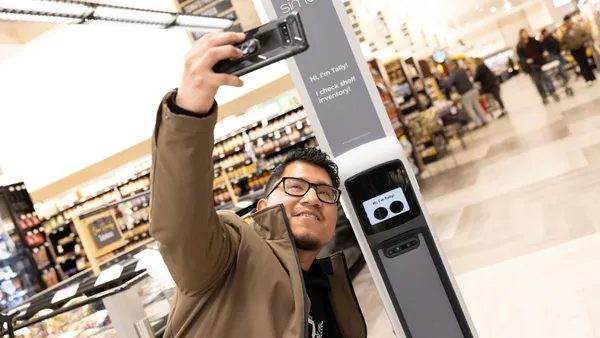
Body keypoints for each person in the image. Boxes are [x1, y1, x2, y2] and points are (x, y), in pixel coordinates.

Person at [149, 32, 366, 338]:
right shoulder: (229, 255)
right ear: (263, 207)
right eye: (295, 186)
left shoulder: (327, 288)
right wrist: (188, 112)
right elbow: (180, 224)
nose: (313, 198)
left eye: (325, 193)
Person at [517, 29, 559, 104]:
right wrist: (526, 60)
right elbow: (521, 57)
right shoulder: (520, 46)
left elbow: (542, 47)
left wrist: (544, 51)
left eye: (526, 32)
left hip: (540, 62)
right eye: (524, 33)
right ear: (521, 35)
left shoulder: (533, 40)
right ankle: (544, 97)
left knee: (547, 79)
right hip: (531, 67)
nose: (526, 34)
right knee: (538, 83)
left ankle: (553, 93)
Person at [443, 61, 488, 128]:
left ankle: (478, 123)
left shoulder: (454, 74)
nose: (448, 69)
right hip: (472, 90)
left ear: (452, 66)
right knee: (477, 106)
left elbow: (448, 84)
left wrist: (443, 83)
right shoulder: (462, 70)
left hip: (465, 93)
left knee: (469, 109)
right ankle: (485, 120)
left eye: (449, 67)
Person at [561, 14, 596, 86]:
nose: (568, 23)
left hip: (581, 48)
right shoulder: (565, 34)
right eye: (566, 22)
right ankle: (587, 79)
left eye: (569, 21)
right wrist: (568, 47)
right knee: (581, 64)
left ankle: (592, 77)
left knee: (586, 62)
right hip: (574, 51)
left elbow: (586, 35)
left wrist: (583, 41)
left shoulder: (578, 29)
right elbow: (562, 44)